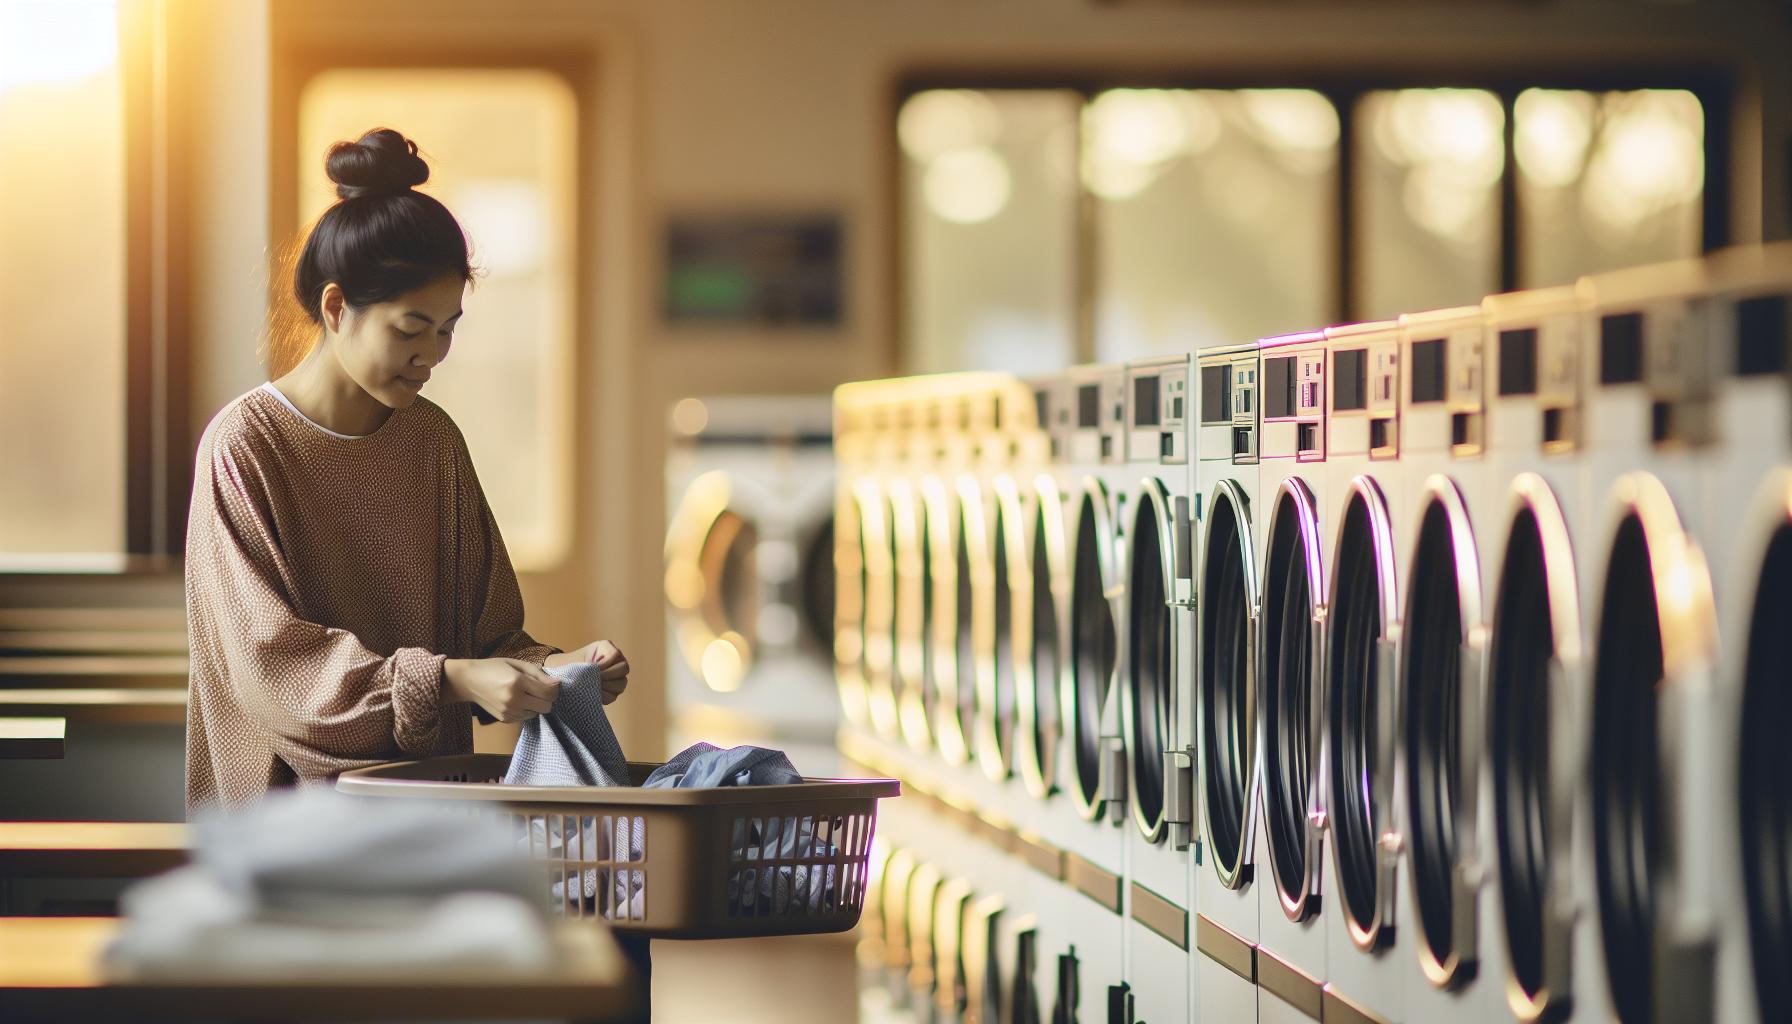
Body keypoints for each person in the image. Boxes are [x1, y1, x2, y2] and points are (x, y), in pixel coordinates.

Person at [183, 127, 628, 813]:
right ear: (336, 308)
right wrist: (449, 680)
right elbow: (274, 671)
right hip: (284, 832)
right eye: (410, 328)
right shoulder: (245, 447)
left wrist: (557, 671)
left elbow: (485, 641)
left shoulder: (433, 443)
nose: (432, 354)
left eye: (447, 328)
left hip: (429, 816)